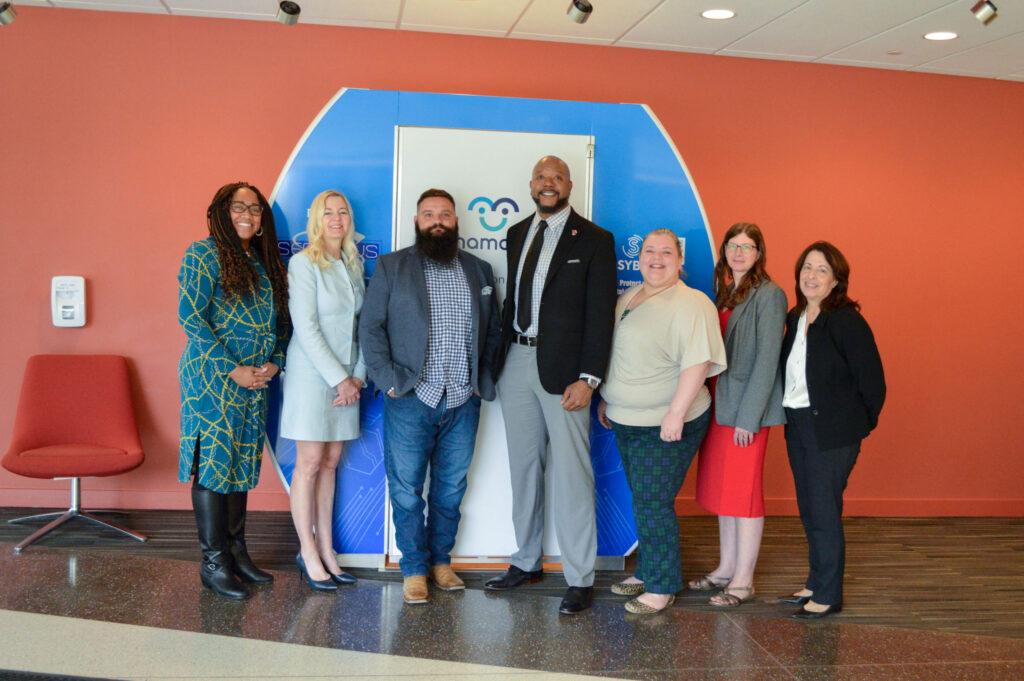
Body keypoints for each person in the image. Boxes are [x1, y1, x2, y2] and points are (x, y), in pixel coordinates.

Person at [485, 156, 616, 616]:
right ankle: (526, 561)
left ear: (569, 185)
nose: (548, 184)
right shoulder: (518, 232)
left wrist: (589, 377)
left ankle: (580, 577)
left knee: (573, 475)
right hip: (517, 363)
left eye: (557, 178)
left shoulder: (596, 240)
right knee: (524, 469)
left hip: (566, 376)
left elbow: (601, 315)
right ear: (530, 183)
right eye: (541, 177)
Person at [359, 188, 501, 605]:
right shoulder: (391, 266)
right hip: (409, 397)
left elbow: (494, 331)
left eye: (444, 214)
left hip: (463, 397)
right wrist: (388, 380)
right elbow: (370, 328)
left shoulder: (480, 270)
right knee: (405, 489)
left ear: (456, 221)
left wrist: (483, 378)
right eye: (428, 214)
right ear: (416, 221)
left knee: (451, 487)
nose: (437, 220)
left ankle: (441, 561)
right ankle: (414, 568)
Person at [597, 228, 727, 614]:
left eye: (666, 252)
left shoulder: (692, 303)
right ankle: (650, 569)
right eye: (650, 251)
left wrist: (675, 412)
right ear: (639, 259)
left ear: (680, 260)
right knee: (643, 500)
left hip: (669, 421)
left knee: (654, 502)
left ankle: (662, 585)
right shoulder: (628, 297)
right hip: (626, 419)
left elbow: (698, 362)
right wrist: (608, 398)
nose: (656, 258)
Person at [177, 181, 290, 600]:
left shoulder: (262, 262)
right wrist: (233, 369)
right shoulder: (202, 255)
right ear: (222, 212)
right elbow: (191, 318)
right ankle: (213, 563)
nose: (248, 214)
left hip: (256, 381)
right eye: (239, 207)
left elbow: (281, 324)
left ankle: (237, 553)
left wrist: (275, 361)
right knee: (212, 465)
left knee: (239, 465)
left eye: (256, 209)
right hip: (212, 379)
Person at [780, 241, 885, 619]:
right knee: (810, 508)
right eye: (807, 267)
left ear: (836, 279)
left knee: (824, 510)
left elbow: (873, 383)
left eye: (822, 269)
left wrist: (857, 426)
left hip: (833, 433)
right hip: (797, 424)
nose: (812, 275)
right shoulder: (795, 317)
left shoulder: (846, 321)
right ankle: (816, 580)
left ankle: (828, 595)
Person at [690, 223, 787, 607]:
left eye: (747, 246)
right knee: (725, 493)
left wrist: (749, 418)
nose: (739, 252)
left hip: (746, 413)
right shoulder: (728, 292)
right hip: (720, 406)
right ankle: (725, 568)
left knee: (744, 497)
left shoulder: (770, 294)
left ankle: (743, 581)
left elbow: (767, 360)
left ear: (760, 252)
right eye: (733, 246)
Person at [280, 190, 365, 592]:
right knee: (310, 461)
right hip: (314, 376)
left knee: (331, 460)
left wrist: (358, 376)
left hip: (349, 377)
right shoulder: (302, 263)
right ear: (316, 220)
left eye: (342, 212)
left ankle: (329, 551)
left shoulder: (353, 262)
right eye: (328, 213)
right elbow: (307, 328)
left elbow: (362, 326)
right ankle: (308, 551)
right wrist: (340, 379)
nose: (336, 219)